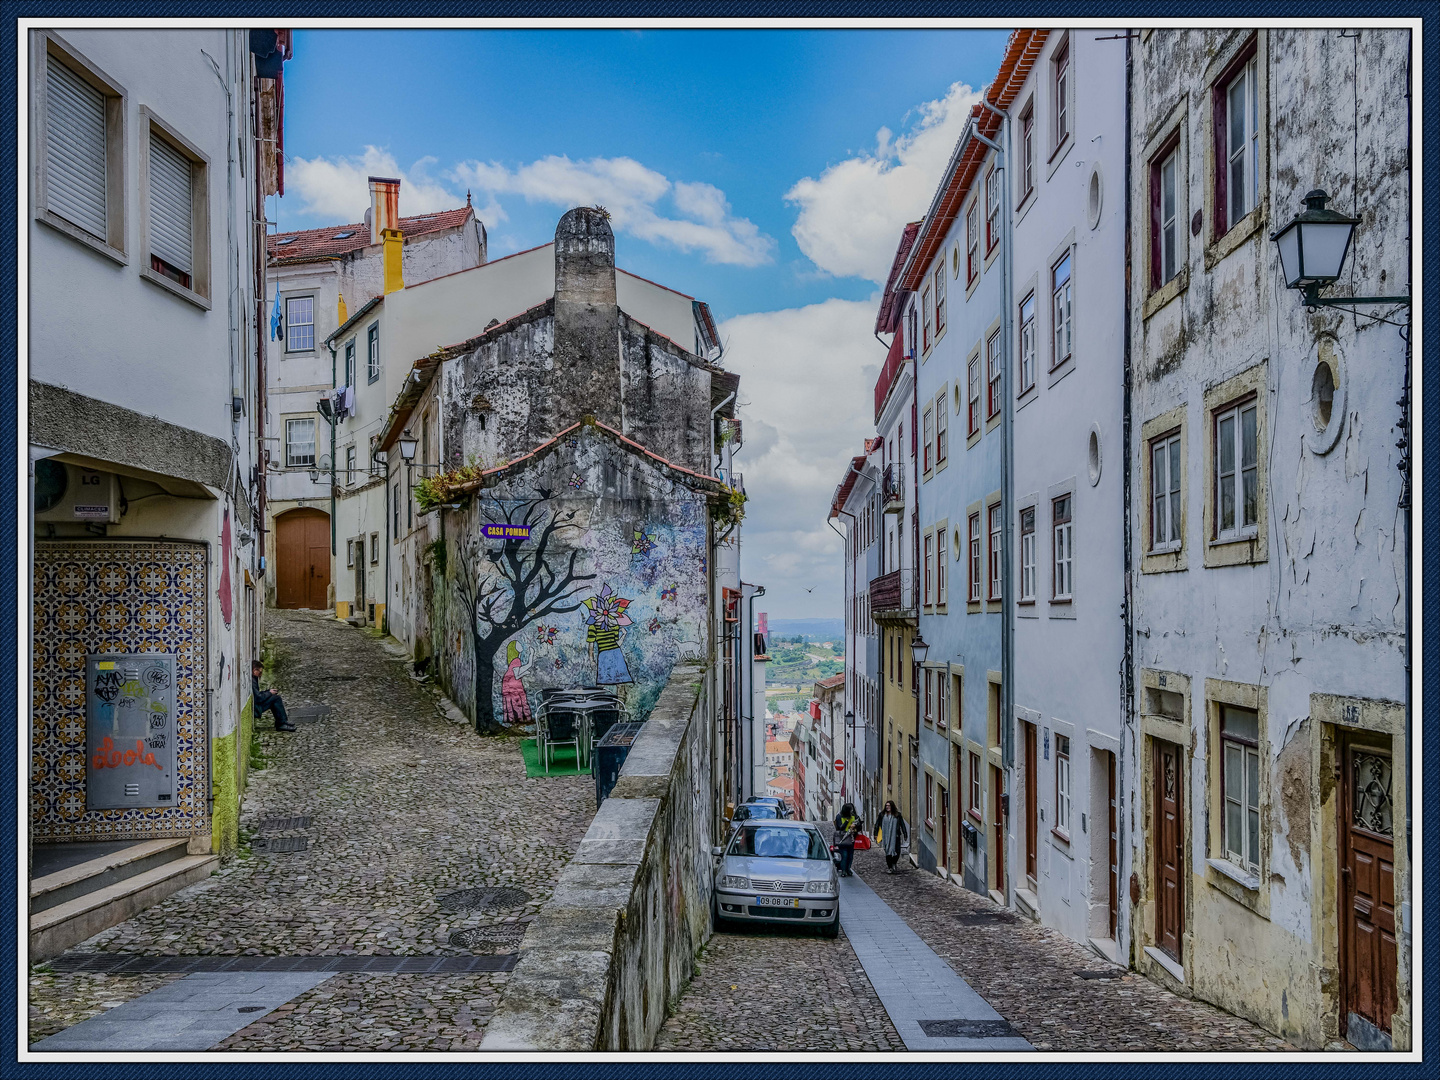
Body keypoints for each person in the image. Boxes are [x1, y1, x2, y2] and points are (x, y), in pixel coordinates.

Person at [252, 660, 294, 732]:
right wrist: (269, 693)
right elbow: (258, 697)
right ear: (255, 670)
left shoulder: (253, 679)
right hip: (255, 708)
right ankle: (281, 723)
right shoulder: (252, 681)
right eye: (260, 672)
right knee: (276, 699)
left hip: (256, 705)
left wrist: (268, 692)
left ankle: (282, 721)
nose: (260, 675)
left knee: (275, 698)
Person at [873, 800, 909, 874]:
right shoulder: (882, 815)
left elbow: (902, 824)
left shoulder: (897, 815)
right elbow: (877, 824)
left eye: (889, 806)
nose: (887, 807)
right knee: (888, 852)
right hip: (886, 837)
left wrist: (905, 834)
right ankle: (890, 867)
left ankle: (894, 863)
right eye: (886, 806)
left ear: (892, 806)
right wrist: (875, 834)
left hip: (895, 836)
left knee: (897, 851)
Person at [833, 802, 861, 877]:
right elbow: (839, 827)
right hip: (843, 838)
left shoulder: (855, 816)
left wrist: (856, 826)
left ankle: (848, 868)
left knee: (850, 855)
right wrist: (847, 821)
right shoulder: (839, 817)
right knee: (844, 855)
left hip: (851, 838)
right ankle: (843, 870)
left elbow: (859, 826)